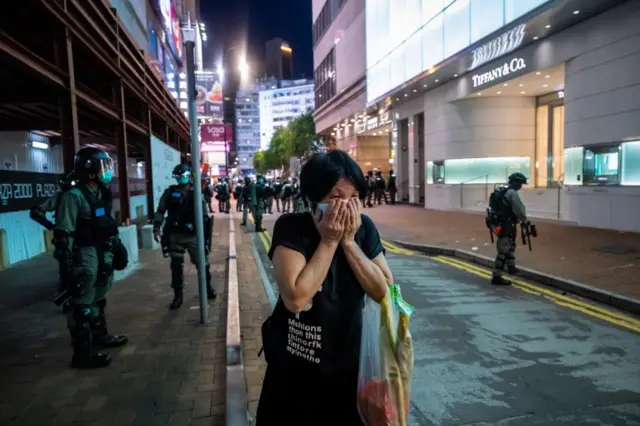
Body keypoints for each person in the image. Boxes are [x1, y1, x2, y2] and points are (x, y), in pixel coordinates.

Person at [256, 150, 393, 426]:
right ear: (313, 200)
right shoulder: (293, 228)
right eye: (336, 198)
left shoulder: (363, 229)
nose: (347, 206)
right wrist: (329, 241)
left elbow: (384, 291)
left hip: (350, 369)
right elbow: (296, 297)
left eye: (354, 198)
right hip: (296, 372)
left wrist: (350, 243)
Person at [54, 147, 128, 369]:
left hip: (101, 250)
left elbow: (106, 221)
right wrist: (66, 265)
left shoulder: (101, 192)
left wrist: (115, 245)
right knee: (81, 301)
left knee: (98, 295)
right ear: (90, 170)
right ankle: (82, 353)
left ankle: (100, 336)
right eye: (102, 166)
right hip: (84, 253)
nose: (107, 171)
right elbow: (63, 233)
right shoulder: (73, 196)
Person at [153, 164, 216, 309]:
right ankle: (178, 296)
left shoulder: (196, 192)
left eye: (183, 176)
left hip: (193, 236)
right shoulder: (169, 193)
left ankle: (207, 288)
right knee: (176, 267)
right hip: (175, 235)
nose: (181, 179)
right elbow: (161, 211)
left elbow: (204, 216)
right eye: (178, 176)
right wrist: (156, 227)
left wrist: (205, 237)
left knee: (203, 264)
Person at [30, 172, 77, 314]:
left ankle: (72, 300)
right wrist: (51, 226)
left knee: (69, 271)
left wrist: (51, 226)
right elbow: (35, 212)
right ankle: (69, 301)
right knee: (68, 272)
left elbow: (36, 212)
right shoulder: (63, 198)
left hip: (70, 239)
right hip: (67, 240)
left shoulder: (63, 197)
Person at [490, 172, 529, 286]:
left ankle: (512, 268)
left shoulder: (502, 191)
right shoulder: (512, 193)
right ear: (515, 182)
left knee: (510, 244)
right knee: (503, 248)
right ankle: (496, 276)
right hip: (507, 224)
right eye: (520, 183)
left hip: (499, 223)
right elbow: (519, 210)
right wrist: (524, 220)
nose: (521, 186)